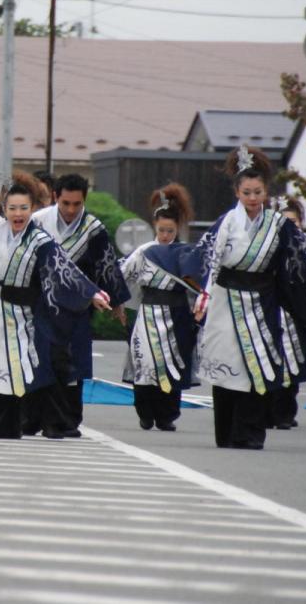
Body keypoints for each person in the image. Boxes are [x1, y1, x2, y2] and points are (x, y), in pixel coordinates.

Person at [0, 172, 111, 439]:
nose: (18, 214)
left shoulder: (41, 241)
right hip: (1, 310)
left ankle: (52, 423)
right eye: (12, 208)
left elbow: (64, 270)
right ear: (5, 209)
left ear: (32, 209)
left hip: (31, 313)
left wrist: (92, 293)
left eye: (23, 208)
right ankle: (5, 425)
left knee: (37, 366)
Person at [193, 145, 306, 450]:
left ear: (265, 192)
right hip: (227, 300)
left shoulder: (278, 224)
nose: (252, 198)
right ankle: (227, 432)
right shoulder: (226, 223)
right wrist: (202, 295)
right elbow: (206, 258)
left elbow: (305, 251)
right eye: (246, 192)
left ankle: (250, 433)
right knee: (228, 365)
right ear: (237, 191)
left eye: (257, 192)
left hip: (262, 300)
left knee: (258, 365)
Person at [32, 173, 130, 432]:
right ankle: (33, 417)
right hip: (42, 302)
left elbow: (106, 266)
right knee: (39, 359)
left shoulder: (92, 228)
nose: (71, 210)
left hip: (77, 306)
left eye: (77, 204)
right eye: (65, 203)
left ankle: (67, 420)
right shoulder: (38, 221)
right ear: (55, 197)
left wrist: (116, 302)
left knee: (72, 364)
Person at [121, 183, 200, 432]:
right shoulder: (144, 252)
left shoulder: (185, 253)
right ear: (154, 227)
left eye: (170, 230)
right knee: (145, 363)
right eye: (161, 230)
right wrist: (119, 304)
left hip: (177, 314)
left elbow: (197, 284)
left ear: (178, 229)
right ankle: (145, 413)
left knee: (172, 363)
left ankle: (167, 415)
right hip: (148, 313)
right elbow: (122, 276)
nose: (165, 235)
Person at [268, 197, 306, 430]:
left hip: (300, 313)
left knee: (295, 363)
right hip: (274, 310)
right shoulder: (269, 247)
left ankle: (286, 411)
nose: (290, 226)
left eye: (294, 221)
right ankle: (269, 411)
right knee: (272, 360)